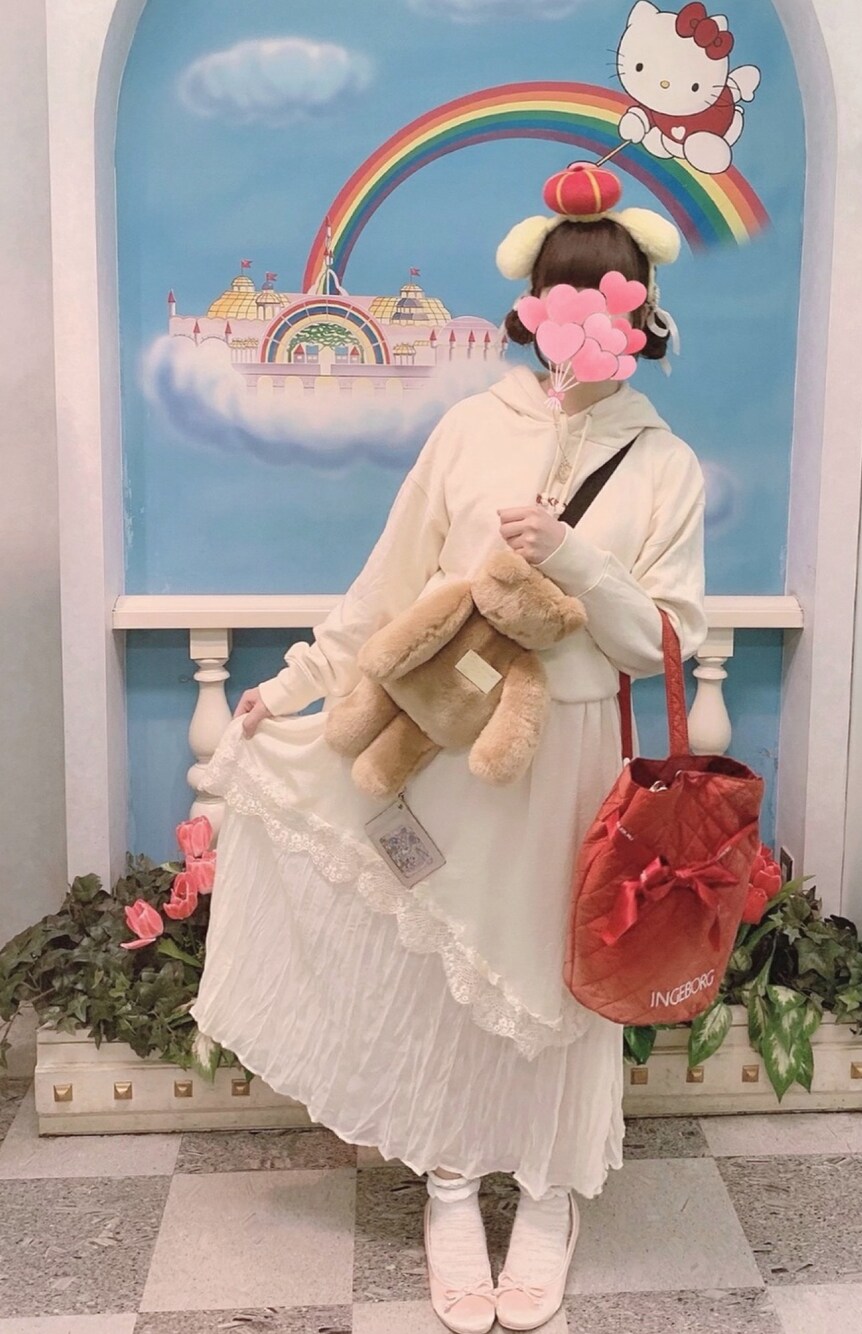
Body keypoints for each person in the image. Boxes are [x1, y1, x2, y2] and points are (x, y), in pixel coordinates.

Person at [190, 177, 708, 1334]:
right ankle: (449, 1187)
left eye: (605, 300)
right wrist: (294, 683)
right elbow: (385, 590)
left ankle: (549, 1199)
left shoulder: (662, 463)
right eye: (562, 298)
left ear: (640, 312)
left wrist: (574, 556)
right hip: (452, 747)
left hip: (573, 760)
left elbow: (659, 642)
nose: (581, 324)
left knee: (559, 976)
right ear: (531, 308)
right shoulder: (471, 429)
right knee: (447, 966)